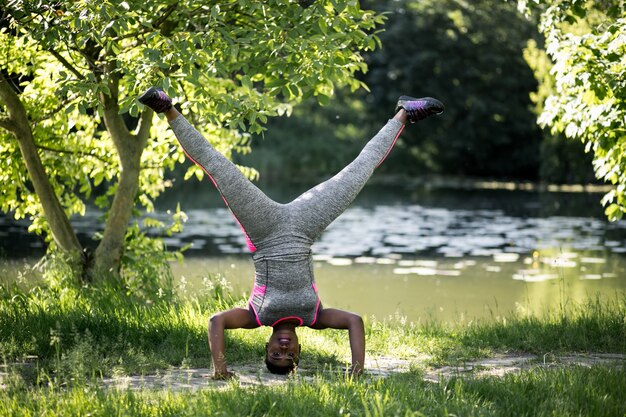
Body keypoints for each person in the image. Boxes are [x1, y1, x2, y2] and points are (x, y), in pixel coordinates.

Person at [138, 87, 444, 378]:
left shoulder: (255, 317)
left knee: (216, 165)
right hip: (304, 226)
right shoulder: (315, 318)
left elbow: (216, 321)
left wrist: (220, 368)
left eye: (275, 355)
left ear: (266, 347)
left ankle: (167, 108)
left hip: (264, 229)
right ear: (300, 349)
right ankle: (405, 112)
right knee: (358, 172)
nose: (283, 350)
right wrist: (357, 369)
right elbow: (354, 322)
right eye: (290, 356)